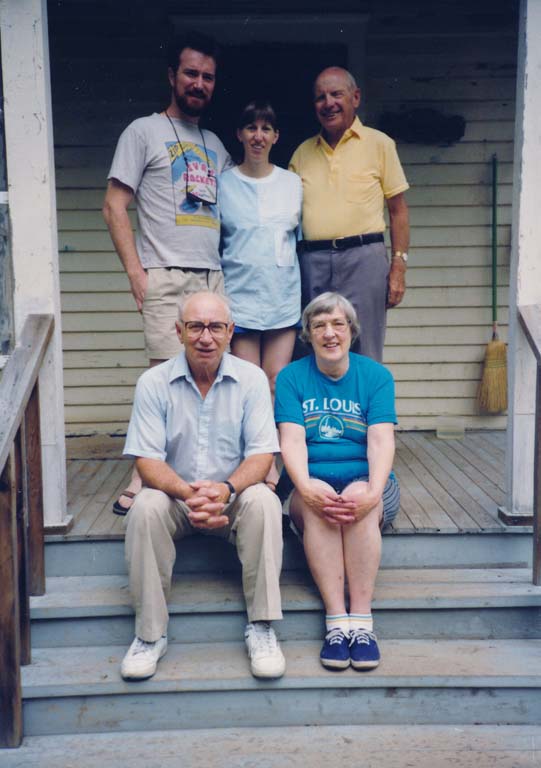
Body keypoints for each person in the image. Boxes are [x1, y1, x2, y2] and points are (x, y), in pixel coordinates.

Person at [120, 291, 285, 682]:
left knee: (264, 500)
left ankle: (261, 627)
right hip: (176, 499)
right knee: (144, 506)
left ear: (230, 332)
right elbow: (146, 460)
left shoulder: (252, 379)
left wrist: (226, 490)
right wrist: (188, 493)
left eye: (215, 327)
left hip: (233, 499)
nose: (205, 337)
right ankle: (149, 635)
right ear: (179, 332)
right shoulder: (153, 382)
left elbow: (262, 456)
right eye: (195, 327)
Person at [103, 30, 232, 514]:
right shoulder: (143, 131)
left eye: (208, 76)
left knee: (209, 377)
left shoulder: (216, 144)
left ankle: (203, 472)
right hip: (166, 274)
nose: (199, 82)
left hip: (212, 279)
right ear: (173, 77)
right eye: (191, 73)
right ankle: (143, 475)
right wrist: (137, 273)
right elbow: (115, 206)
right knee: (162, 379)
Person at [274, 292, 400, 671]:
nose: (329, 333)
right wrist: (306, 487)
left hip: (369, 482)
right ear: (307, 335)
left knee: (359, 495)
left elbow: (380, 439)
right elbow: (292, 439)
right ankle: (335, 622)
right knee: (323, 501)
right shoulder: (291, 377)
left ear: (351, 331)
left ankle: (361, 622)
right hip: (310, 483)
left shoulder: (376, 376)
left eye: (337, 324)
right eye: (319, 326)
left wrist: (374, 492)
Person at [289, 67, 410, 362]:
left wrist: (398, 267)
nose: (328, 103)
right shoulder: (302, 153)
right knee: (313, 344)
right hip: (312, 262)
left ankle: (366, 410)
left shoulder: (379, 144)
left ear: (355, 98)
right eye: (320, 97)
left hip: (364, 258)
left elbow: (398, 211)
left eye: (336, 94)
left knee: (365, 348)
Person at [220, 99, 302, 488]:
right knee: (250, 383)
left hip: (282, 296)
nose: (258, 135)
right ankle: (260, 464)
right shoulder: (223, 184)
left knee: (276, 381)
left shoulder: (292, 183)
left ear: (276, 136)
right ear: (239, 134)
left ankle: (278, 458)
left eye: (266, 128)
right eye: (251, 127)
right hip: (240, 297)